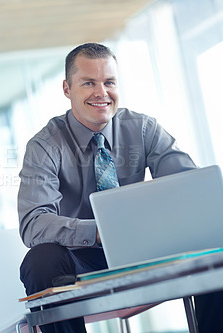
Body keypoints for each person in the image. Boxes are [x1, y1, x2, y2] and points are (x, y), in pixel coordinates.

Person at [18, 43, 223, 333]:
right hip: (81, 259)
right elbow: (33, 224)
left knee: (214, 241)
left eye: (109, 82)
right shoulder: (44, 146)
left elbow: (191, 191)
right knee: (40, 261)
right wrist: (102, 231)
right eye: (89, 83)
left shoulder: (142, 128)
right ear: (67, 89)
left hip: (147, 250)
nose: (102, 92)